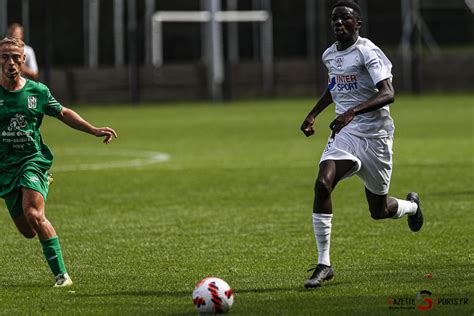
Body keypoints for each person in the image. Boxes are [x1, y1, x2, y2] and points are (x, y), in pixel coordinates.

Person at [300, 0, 423, 289]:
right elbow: (335, 86)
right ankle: (324, 264)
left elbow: (389, 93)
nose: (338, 24)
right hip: (344, 134)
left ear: (358, 23)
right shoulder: (329, 55)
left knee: (379, 210)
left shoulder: (368, 52)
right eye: (334, 20)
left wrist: (353, 111)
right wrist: (312, 114)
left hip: (376, 136)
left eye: (345, 19)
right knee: (322, 184)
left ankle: (412, 207)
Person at [0, 37, 117, 287]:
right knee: (28, 230)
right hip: (4, 168)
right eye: (5, 57)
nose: (10, 62)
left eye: (15, 57)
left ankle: (62, 276)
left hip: (31, 160)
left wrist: (93, 130)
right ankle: (40, 186)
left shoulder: (37, 92)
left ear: (23, 60)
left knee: (34, 213)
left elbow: (62, 112)